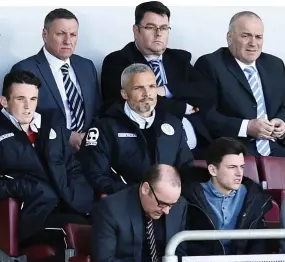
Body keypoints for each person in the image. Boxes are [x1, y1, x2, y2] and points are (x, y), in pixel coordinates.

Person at [0, 70, 95, 248]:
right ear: (4, 101)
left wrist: (81, 196)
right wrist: (33, 187)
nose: (28, 106)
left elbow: (72, 167)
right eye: (20, 99)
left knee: (110, 226)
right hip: (34, 216)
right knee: (81, 233)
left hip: (70, 205)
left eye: (33, 99)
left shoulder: (51, 126)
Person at [101, 1, 215, 158]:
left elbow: (207, 90)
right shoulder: (118, 61)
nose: (158, 33)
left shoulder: (179, 58)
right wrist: (182, 107)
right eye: (150, 27)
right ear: (136, 31)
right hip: (148, 145)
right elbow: (124, 104)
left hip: (197, 145)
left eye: (164, 28)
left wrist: (167, 90)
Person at [78, 63, 193, 196]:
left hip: (170, 202)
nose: (147, 94)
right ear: (124, 93)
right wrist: (139, 195)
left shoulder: (173, 123)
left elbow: (186, 167)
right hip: (126, 203)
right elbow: (95, 175)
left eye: (152, 86)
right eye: (138, 88)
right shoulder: (104, 128)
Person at [195, 11, 285, 157]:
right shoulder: (210, 65)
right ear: (229, 37)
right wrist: (247, 127)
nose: (253, 43)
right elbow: (206, 116)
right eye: (246, 36)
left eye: (258, 37)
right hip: (236, 153)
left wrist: (281, 122)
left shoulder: (275, 65)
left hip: (278, 149)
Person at [11, 8, 102, 152]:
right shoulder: (25, 68)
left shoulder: (87, 66)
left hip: (89, 149)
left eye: (73, 35)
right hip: (47, 151)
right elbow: (23, 117)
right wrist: (66, 136)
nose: (67, 41)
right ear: (45, 35)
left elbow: (97, 111)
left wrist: (90, 137)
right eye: (60, 34)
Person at [91, 164, 187, 262]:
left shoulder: (180, 206)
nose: (167, 211)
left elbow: (180, 250)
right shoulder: (111, 208)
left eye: (172, 205)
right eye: (162, 204)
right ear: (146, 189)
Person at [181, 137, 273, 256]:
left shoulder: (254, 198)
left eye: (242, 167)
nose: (239, 173)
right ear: (213, 170)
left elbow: (258, 244)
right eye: (232, 167)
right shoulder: (190, 198)